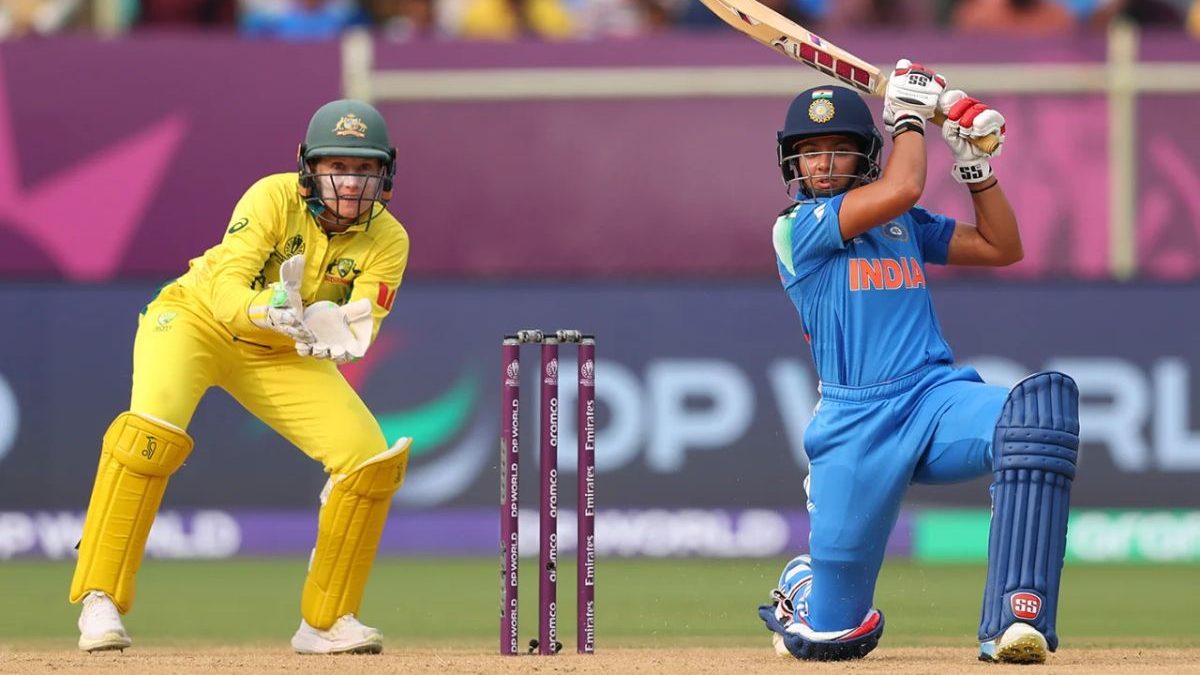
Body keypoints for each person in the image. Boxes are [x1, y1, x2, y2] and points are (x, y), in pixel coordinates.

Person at [757, 64, 1080, 663]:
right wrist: (910, 114)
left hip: (934, 399)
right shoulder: (796, 229)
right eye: (810, 153)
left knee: (1037, 415)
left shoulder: (899, 223)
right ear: (792, 163)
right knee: (834, 640)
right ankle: (804, 589)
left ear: (866, 158)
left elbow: (1001, 247)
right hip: (856, 428)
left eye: (840, 151)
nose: (823, 164)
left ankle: (1015, 618)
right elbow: (904, 186)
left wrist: (975, 169)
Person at [70, 99, 412, 655]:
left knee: (367, 460)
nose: (351, 182)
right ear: (309, 168)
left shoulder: (390, 240)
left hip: (282, 351)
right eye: (338, 167)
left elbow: (364, 318)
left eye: (365, 169)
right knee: (150, 434)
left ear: (384, 174)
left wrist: (342, 333)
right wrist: (267, 307)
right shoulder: (272, 196)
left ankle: (326, 621)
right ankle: (99, 599)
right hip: (194, 322)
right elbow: (228, 288)